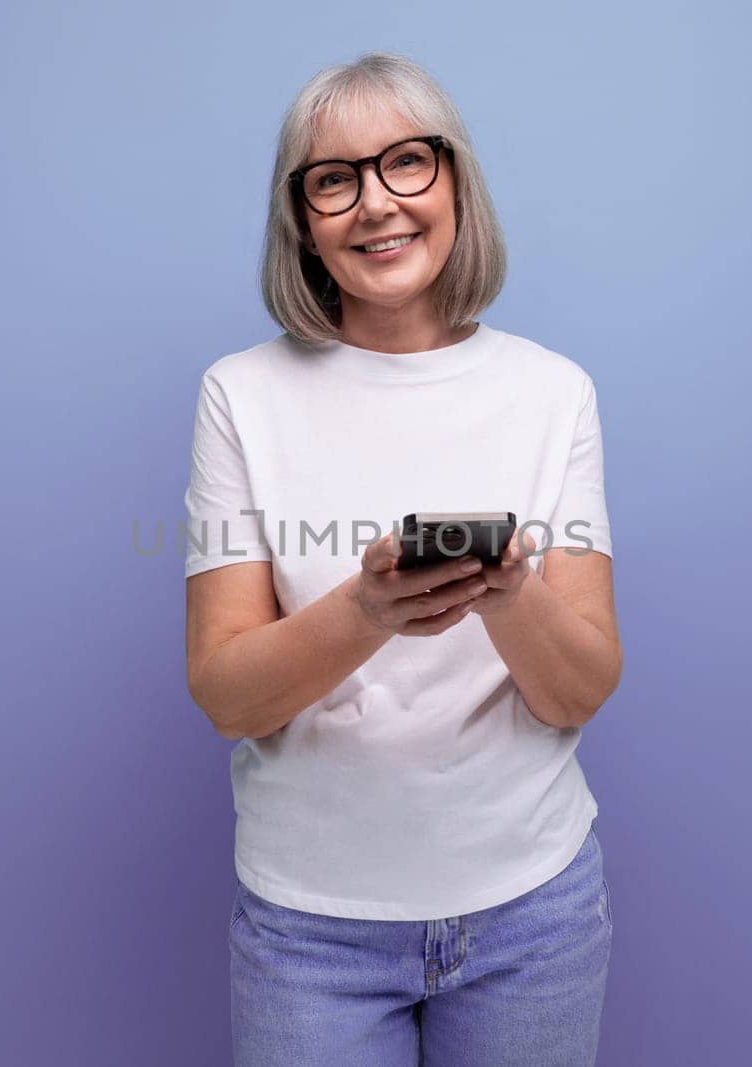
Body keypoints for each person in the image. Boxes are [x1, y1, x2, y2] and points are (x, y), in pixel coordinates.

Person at [184, 51, 622, 1065]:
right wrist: (369, 609)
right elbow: (226, 696)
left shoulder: (553, 392)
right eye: (333, 178)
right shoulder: (239, 395)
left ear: (455, 181)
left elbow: (578, 689)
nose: (374, 202)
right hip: (310, 929)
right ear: (302, 218)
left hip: (533, 916)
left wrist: (507, 592)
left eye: (406, 164)